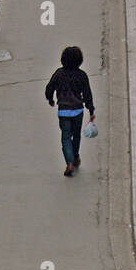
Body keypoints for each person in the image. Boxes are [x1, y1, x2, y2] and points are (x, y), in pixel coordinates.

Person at [44, 45, 95, 177]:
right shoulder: (82, 75)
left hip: (63, 110)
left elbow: (49, 88)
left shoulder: (59, 74)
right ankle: (76, 156)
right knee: (76, 135)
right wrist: (91, 110)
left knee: (66, 137)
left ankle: (69, 163)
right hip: (78, 110)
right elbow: (87, 94)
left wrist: (50, 99)